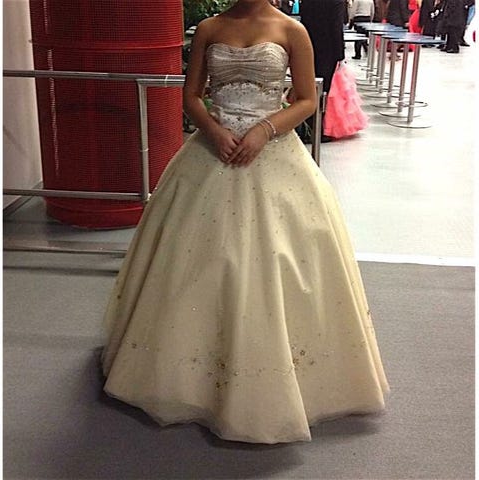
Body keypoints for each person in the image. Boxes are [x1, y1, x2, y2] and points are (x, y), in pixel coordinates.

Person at [101, 0, 389, 444]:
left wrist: (264, 130)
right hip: (211, 150)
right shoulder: (210, 28)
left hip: (273, 152)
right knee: (195, 261)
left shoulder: (292, 30)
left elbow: (307, 98)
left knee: (278, 259)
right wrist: (213, 130)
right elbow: (191, 95)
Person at [301, 0, 346, 142]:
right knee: (323, 90)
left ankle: (305, 127)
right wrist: (340, 55)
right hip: (328, 50)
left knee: (307, 87)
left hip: (307, 46)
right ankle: (317, 130)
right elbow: (336, 27)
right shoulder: (336, 2)